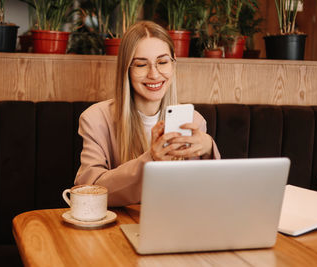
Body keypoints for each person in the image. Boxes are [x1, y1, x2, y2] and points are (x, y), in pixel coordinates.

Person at [75, 21, 220, 207]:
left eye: (162, 62)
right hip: (116, 226)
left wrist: (209, 149)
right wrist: (149, 160)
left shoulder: (194, 121)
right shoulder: (95, 119)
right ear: (126, 69)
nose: (154, 74)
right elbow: (89, 191)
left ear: (173, 63)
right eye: (141, 65)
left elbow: (203, 197)